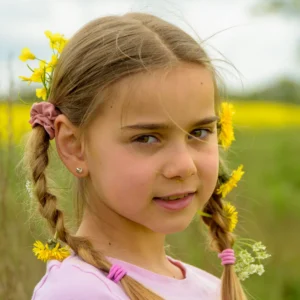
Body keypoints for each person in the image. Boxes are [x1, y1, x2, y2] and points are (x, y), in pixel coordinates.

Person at [22, 12, 249, 300]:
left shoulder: (209, 288)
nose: (183, 166)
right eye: (146, 138)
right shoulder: (79, 292)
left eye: (200, 132)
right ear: (74, 146)